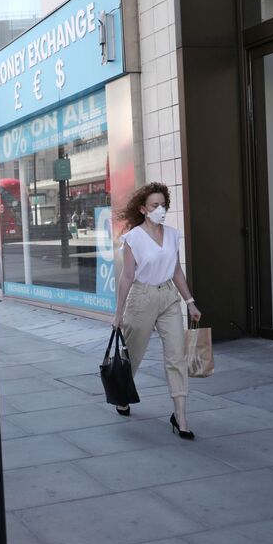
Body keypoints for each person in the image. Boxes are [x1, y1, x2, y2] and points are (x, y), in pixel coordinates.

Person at [112, 182, 202, 439]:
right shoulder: (134, 238)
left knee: (176, 356)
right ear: (143, 209)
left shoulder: (173, 235)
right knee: (133, 355)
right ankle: (122, 395)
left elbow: (176, 271)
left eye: (163, 205)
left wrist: (190, 301)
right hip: (141, 298)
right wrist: (118, 314)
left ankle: (180, 417)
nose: (160, 209)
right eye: (154, 205)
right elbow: (126, 277)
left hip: (168, 299)